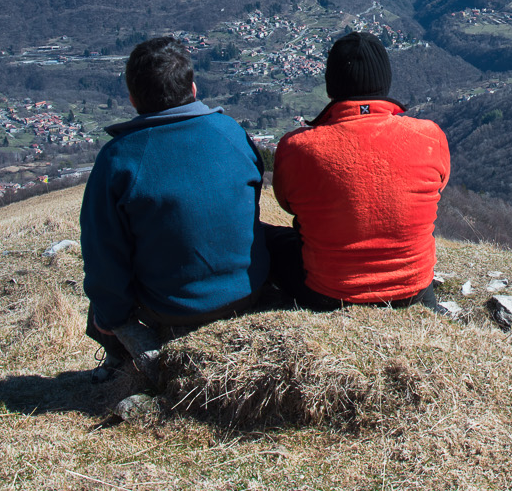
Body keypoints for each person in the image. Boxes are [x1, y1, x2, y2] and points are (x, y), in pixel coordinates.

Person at [80, 36, 268, 376]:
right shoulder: (231, 132)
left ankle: (120, 353)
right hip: (248, 291)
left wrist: (109, 317)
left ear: (133, 99)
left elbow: (102, 254)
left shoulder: (118, 159)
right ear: (193, 89)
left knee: (103, 284)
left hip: (172, 308)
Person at [268, 31, 449, 309]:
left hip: (328, 293)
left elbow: (287, 203)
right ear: (385, 84)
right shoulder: (430, 136)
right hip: (413, 289)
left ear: (330, 88)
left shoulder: (297, 147)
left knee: (268, 239)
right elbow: (438, 186)